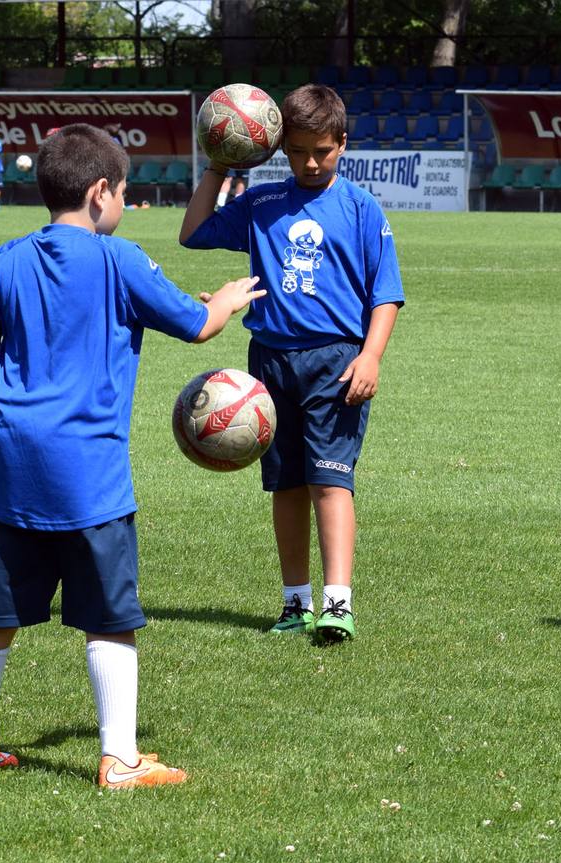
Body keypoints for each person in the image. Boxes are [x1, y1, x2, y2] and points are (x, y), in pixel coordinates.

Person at [0, 124, 265, 787]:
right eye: (122, 190)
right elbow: (197, 325)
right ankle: (118, 758)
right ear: (99, 193)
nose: (123, 202)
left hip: (11, 471)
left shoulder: (6, 259)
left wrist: (29, 350)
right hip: (88, 476)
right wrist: (226, 302)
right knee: (109, 621)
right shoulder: (120, 260)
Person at [180, 83, 405, 642]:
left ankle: (338, 604)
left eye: (322, 151)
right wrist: (217, 164)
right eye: (298, 151)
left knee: (332, 483)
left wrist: (371, 355)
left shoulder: (359, 207)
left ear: (342, 145)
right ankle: (294, 602)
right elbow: (192, 233)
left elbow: (386, 293)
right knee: (285, 485)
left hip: (337, 363)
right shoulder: (260, 203)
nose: (309, 162)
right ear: (280, 150)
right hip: (270, 363)